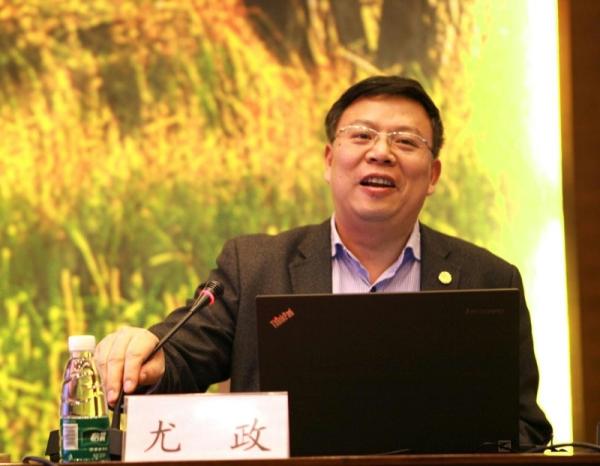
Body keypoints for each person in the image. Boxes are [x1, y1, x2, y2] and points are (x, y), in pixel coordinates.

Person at [95, 75, 552, 446]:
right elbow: (181, 357)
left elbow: (524, 430)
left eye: (405, 141)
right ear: (330, 160)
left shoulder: (488, 278)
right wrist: (146, 357)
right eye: (362, 135)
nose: (381, 152)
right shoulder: (255, 266)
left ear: (432, 175)